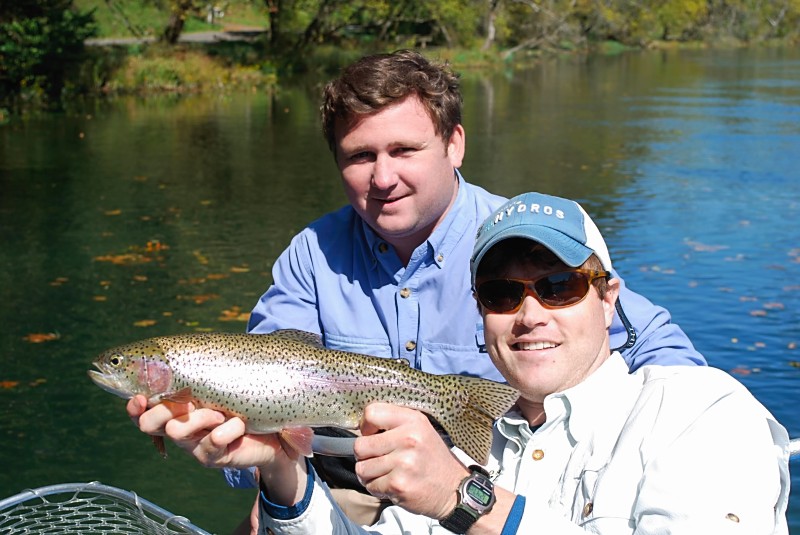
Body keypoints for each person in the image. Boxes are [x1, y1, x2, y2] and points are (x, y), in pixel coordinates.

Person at [127, 50, 707, 529]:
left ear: (454, 145)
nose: (383, 178)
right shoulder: (312, 255)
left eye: (404, 150)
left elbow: (660, 357)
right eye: (360, 157)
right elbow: (262, 383)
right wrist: (250, 459)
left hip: (494, 477)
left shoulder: (521, 247)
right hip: (348, 480)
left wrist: (677, 438)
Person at [134, 192, 790, 534]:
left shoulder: (699, 414)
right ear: (480, 309)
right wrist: (282, 468)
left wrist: (464, 498)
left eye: (558, 285)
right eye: (503, 293)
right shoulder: (474, 446)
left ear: (609, 295)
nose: (529, 313)